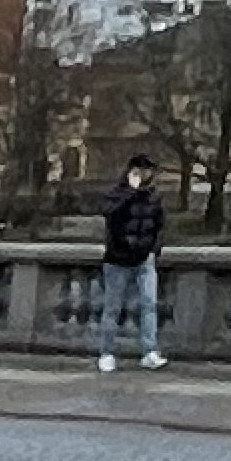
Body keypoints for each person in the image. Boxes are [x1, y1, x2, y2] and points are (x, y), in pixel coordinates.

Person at [96, 155, 167, 374]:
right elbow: (110, 214)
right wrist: (129, 193)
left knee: (149, 305)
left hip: (144, 259)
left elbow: (160, 226)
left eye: (148, 171)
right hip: (117, 260)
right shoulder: (116, 194)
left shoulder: (154, 197)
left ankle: (149, 351)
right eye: (140, 171)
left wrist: (154, 250)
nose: (145, 175)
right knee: (113, 307)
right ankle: (107, 353)